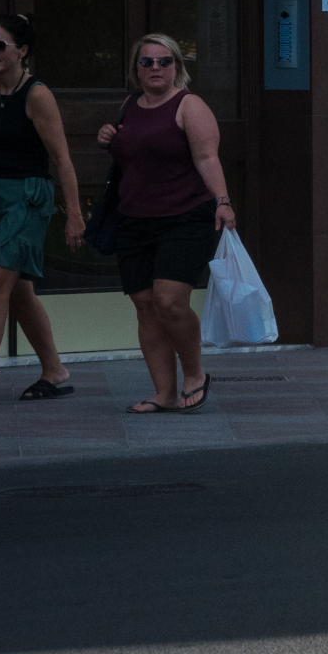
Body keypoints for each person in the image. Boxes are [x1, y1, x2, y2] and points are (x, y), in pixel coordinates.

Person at [97, 33, 235, 413]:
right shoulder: (130, 106)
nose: (156, 68)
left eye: (164, 61)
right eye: (147, 62)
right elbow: (133, 158)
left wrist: (223, 202)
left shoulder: (189, 105)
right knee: (144, 305)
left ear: (177, 66)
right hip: (134, 219)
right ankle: (163, 393)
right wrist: (108, 138)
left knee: (170, 302)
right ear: (135, 69)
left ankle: (195, 374)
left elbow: (208, 158)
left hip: (185, 217)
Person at [0, 15, 84, 406]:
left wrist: (75, 214)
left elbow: (62, 159)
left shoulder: (37, 95)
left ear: (22, 51)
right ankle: (55, 371)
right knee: (18, 291)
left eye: (0, 46)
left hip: (26, 198)